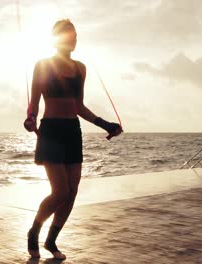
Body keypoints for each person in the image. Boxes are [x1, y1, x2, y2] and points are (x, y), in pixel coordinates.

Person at [23, 19, 123, 260]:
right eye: (70, 36)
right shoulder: (43, 65)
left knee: (72, 192)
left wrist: (106, 124)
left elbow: (79, 106)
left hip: (72, 131)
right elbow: (35, 101)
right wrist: (31, 118)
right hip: (51, 131)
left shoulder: (80, 68)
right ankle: (33, 231)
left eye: (76, 36)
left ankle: (51, 240)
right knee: (60, 192)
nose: (75, 40)